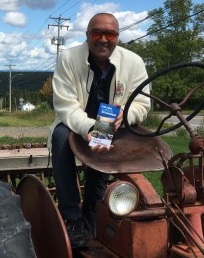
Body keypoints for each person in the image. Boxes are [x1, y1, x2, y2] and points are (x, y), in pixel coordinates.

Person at [48, 13, 151, 249]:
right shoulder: (69, 58)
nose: (103, 39)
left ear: (117, 37)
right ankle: (72, 217)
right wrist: (89, 128)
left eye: (110, 34)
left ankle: (93, 214)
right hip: (77, 122)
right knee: (60, 137)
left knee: (100, 164)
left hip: (110, 121)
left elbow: (143, 103)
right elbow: (65, 105)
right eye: (96, 33)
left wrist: (127, 113)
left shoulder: (133, 62)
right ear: (87, 36)